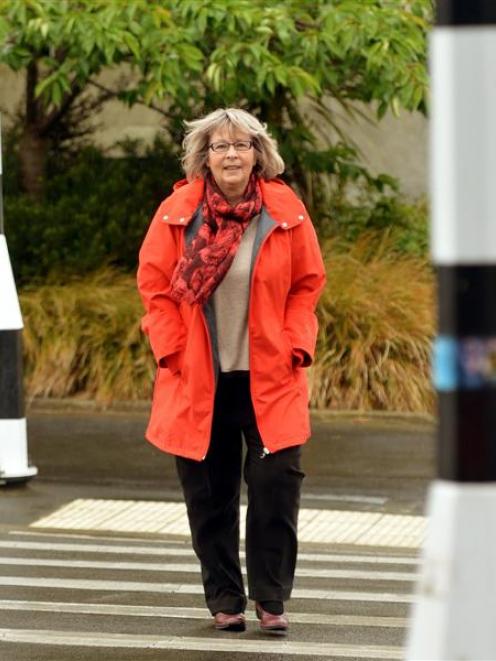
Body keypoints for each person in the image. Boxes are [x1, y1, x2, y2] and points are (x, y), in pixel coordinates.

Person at [137, 108, 326, 634]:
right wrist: (171, 350)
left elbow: (307, 285)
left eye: (242, 145)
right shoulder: (178, 213)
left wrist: (296, 343)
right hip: (199, 377)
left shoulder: (285, 211)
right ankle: (224, 599)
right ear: (204, 157)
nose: (231, 155)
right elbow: (154, 288)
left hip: (270, 375)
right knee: (210, 493)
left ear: (258, 154)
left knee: (275, 487)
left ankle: (271, 598)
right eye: (219, 147)